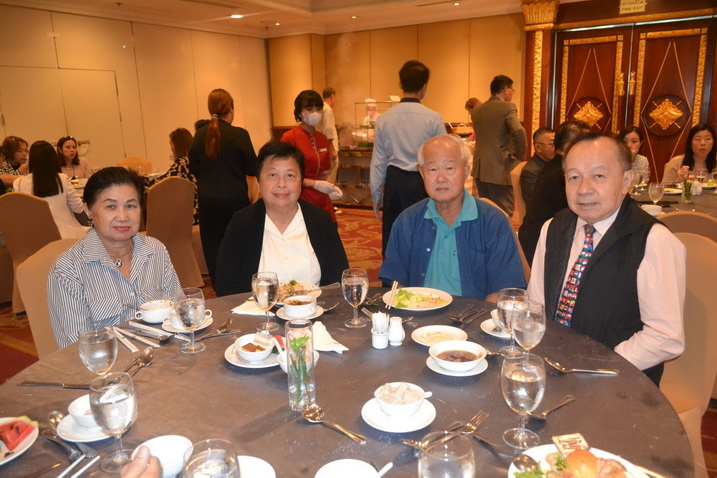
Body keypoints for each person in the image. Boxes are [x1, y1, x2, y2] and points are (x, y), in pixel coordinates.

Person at [528, 134, 685, 386]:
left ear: (626, 181)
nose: (584, 189)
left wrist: (596, 366)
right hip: (554, 371)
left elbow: (664, 337)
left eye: (599, 176)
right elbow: (535, 305)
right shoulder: (553, 228)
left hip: (618, 383)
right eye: (574, 177)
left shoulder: (653, 240)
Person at [48, 167, 182, 348]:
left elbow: (180, 313)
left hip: (164, 356)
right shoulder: (68, 269)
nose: (123, 217)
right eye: (111, 207)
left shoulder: (155, 250)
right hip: (106, 362)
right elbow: (79, 346)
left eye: (130, 206)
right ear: (88, 210)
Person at [379, 135, 525, 301]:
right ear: (422, 174)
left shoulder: (493, 222)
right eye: (432, 170)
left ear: (466, 172)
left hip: (474, 314)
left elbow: (502, 290)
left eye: (449, 168)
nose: (441, 178)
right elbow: (398, 283)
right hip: (419, 312)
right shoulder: (407, 221)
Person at [214, 141, 348, 296]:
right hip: (258, 310)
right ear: (258, 180)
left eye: (290, 175)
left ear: (301, 182)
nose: (281, 184)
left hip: (315, 308)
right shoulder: (242, 222)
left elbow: (339, 279)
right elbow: (226, 285)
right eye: (272, 175)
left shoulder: (320, 220)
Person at [370, 60, 446, 255]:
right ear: (425, 86)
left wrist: (376, 194)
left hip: (394, 182)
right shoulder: (433, 118)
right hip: (422, 182)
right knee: (422, 234)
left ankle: (391, 272)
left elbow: (379, 160)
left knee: (393, 235)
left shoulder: (384, 118)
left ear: (400, 84)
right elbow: (444, 157)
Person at [189, 88, 258, 282]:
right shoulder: (239, 134)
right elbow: (253, 168)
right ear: (231, 108)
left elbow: (193, 166)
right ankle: (239, 282)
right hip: (235, 198)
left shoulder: (199, 134)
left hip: (207, 198)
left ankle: (219, 284)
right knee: (238, 242)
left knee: (212, 246)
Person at [519, 121, 585, 265]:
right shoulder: (563, 174)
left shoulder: (553, 167)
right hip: (542, 245)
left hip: (540, 236)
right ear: (571, 145)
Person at [281, 90, 342, 222]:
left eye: (318, 109)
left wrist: (330, 188)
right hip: (300, 198)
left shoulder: (323, 138)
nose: (314, 112)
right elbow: (285, 175)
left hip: (322, 199)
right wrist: (314, 184)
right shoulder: (290, 137)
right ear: (299, 112)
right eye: (309, 109)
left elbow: (326, 172)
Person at [471, 74, 527, 216]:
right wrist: (519, 154)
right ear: (506, 90)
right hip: (500, 166)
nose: (512, 94)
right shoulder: (507, 107)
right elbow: (518, 131)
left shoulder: (477, 110)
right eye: (512, 90)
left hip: (480, 168)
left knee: (485, 211)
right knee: (503, 212)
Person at [12, 141, 88, 239]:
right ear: (54, 159)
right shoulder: (62, 178)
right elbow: (78, 208)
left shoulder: (18, 183)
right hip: (66, 236)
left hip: (35, 238)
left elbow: (20, 214)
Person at [144, 128, 199, 224]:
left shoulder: (181, 164)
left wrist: (140, 178)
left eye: (171, 144)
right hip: (200, 210)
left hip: (189, 214)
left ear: (178, 146)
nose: (171, 148)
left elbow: (160, 183)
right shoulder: (195, 160)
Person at [520, 127, 555, 204]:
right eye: (551, 144)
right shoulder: (530, 172)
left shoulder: (554, 164)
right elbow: (538, 201)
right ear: (538, 147)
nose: (556, 148)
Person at [317, 87, 339, 184]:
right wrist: (332, 150)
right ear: (332, 96)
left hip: (321, 147)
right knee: (330, 178)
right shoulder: (328, 109)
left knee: (323, 178)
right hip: (328, 149)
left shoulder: (319, 108)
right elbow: (328, 131)